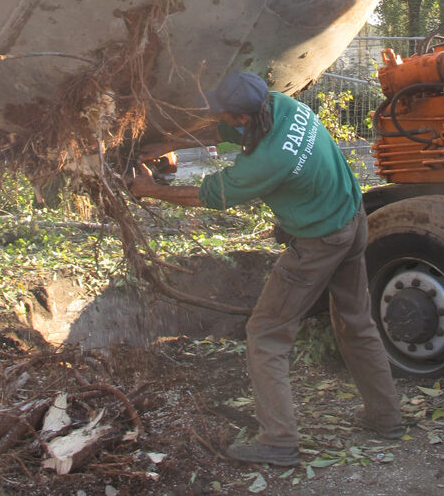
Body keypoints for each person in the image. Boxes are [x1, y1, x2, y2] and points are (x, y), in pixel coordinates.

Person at [130, 71, 402, 467]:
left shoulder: (267, 160)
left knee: (266, 333)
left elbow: (209, 195)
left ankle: (278, 441)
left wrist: (151, 190)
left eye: (224, 111)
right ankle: (387, 418)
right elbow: (219, 130)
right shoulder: (281, 105)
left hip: (318, 242)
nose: (218, 117)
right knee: (356, 322)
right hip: (352, 218)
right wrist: (164, 144)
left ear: (241, 117)